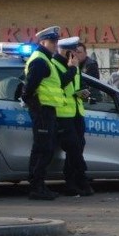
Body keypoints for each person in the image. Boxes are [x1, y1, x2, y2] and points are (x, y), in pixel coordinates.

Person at [21, 26, 65, 200]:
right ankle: (36, 187)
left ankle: (39, 186)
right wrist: (36, 108)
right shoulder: (40, 60)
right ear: (42, 42)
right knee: (42, 150)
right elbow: (28, 90)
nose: (55, 45)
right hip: (42, 111)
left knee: (45, 149)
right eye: (52, 42)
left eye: (56, 41)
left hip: (47, 111)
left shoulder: (47, 59)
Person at [53, 38, 94, 197]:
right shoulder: (55, 65)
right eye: (73, 51)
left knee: (77, 148)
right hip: (62, 114)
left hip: (77, 112)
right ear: (65, 51)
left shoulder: (74, 66)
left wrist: (84, 92)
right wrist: (71, 69)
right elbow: (59, 84)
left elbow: (78, 85)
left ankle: (72, 183)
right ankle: (82, 179)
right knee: (73, 147)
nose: (76, 55)